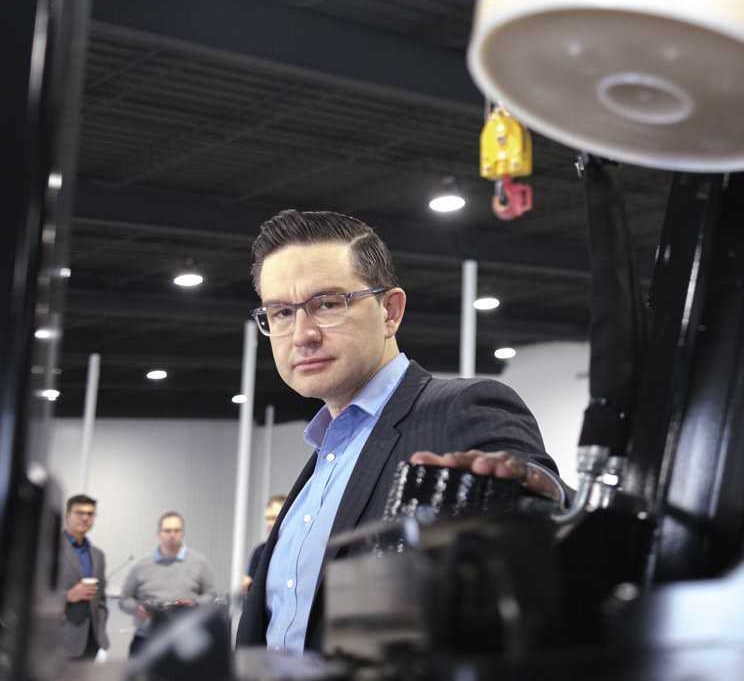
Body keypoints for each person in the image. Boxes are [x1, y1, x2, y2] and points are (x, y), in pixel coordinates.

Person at [235, 209, 564, 654]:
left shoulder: (461, 409)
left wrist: (530, 492)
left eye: (328, 304)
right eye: (281, 313)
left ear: (390, 312)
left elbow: (548, 523)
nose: (302, 334)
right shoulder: (323, 459)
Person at [118, 511, 217, 656]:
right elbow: (124, 600)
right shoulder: (141, 565)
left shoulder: (200, 562)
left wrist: (194, 604)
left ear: (183, 533)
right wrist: (137, 608)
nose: (172, 535)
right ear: (159, 533)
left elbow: (211, 594)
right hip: (147, 638)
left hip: (185, 639)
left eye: (177, 530)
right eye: (167, 531)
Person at [57, 494, 110, 661]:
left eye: (90, 514)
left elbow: (101, 599)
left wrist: (100, 629)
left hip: (92, 641)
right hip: (59, 639)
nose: (85, 518)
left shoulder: (98, 555)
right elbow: (30, 593)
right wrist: (67, 596)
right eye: (79, 513)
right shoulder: (49, 547)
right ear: (67, 516)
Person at [242, 494, 287, 595]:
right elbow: (247, 585)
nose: (269, 523)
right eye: (267, 518)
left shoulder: (296, 551)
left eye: (273, 518)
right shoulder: (260, 552)